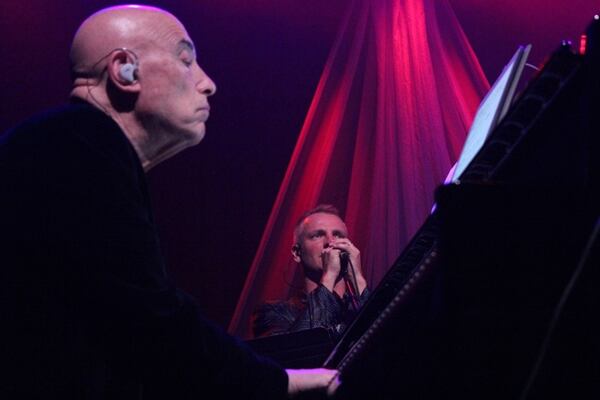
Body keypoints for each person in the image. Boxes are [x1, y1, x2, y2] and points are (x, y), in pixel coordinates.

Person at [0, 5, 338, 398]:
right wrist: (279, 382)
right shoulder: (78, 148)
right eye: (186, 60)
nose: (208, 83)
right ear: (125, 69)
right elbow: (148, 319)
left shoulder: (76, 146)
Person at [253, 204, 370, 338]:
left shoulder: (357, 306)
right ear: (297, 253)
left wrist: (358, 280)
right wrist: (329, 276)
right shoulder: (274, 312)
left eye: (338, 235)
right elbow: (301, 350)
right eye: (317, 236)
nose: (330, 242)